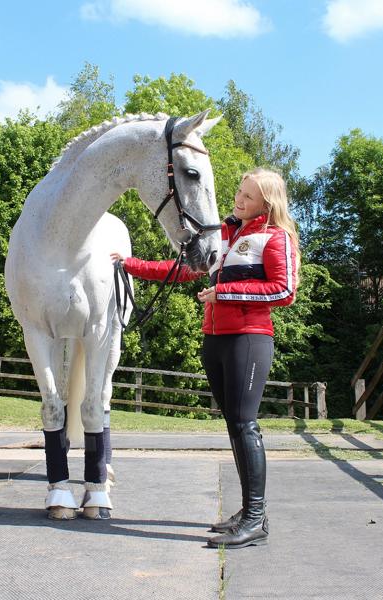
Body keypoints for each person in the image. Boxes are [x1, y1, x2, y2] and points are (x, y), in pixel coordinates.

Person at [111, 168, 300, 549]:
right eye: (239, 192)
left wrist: (225, 293)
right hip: (214, 339)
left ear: (267, 202)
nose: (238, 200)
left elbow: (283, 291)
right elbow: (183, 270)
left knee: (246, 424)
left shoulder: (274, 238)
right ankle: (248, 511)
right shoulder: (224, 236)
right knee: (233, 424)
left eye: (248, 196)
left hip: (249, 339)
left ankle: (256, 518)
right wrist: (129, 264)